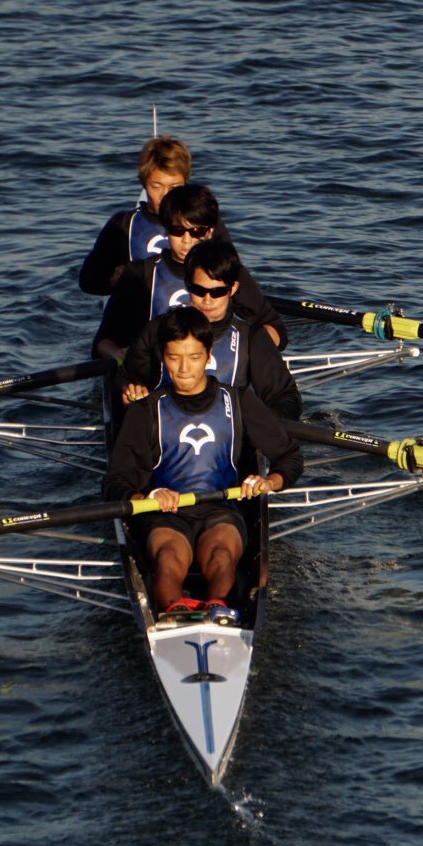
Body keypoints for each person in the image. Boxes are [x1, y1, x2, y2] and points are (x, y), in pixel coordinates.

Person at [103, 307, 304, 626]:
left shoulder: (238, 400)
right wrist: (147, 496)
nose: (184, 369)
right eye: (174, 357)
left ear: (208, 355)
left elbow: (290, 457)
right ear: (162, 357)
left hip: (221, 508)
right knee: (168, 559)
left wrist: (270, 481)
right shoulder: (146, 410)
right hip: (165, 512)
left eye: (194, 357)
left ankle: (219, 610)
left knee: (221, 556)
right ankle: (172, 613)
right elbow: (116, 481)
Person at [91, 183, 285, 364]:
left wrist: (251, 351)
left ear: (210, 232)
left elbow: (275, 328)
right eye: (177, 230)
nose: (186, 240)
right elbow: (102, 342)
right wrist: (119, 356)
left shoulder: (227, 270)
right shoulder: (139, 274)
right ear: (166, 230)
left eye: (196, 231)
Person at [120, 238, 301, 420]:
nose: (207, 300)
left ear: (232, 289)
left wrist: (255, 425)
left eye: (217, 292)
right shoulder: (156, 330)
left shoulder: (251, 339)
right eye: (199, 291)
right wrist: (130, 391)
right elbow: (125, 378)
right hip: (164, 429)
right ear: (188, 285)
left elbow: (287, 399)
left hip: (231, 432)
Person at [77, 135, 193, 296]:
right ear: (144, 183)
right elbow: (88, 281)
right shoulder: (123, 225)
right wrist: (114, 281)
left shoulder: (202, 224)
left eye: (174, 187)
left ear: (186, 183)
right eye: (156, 186)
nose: (165, 195)